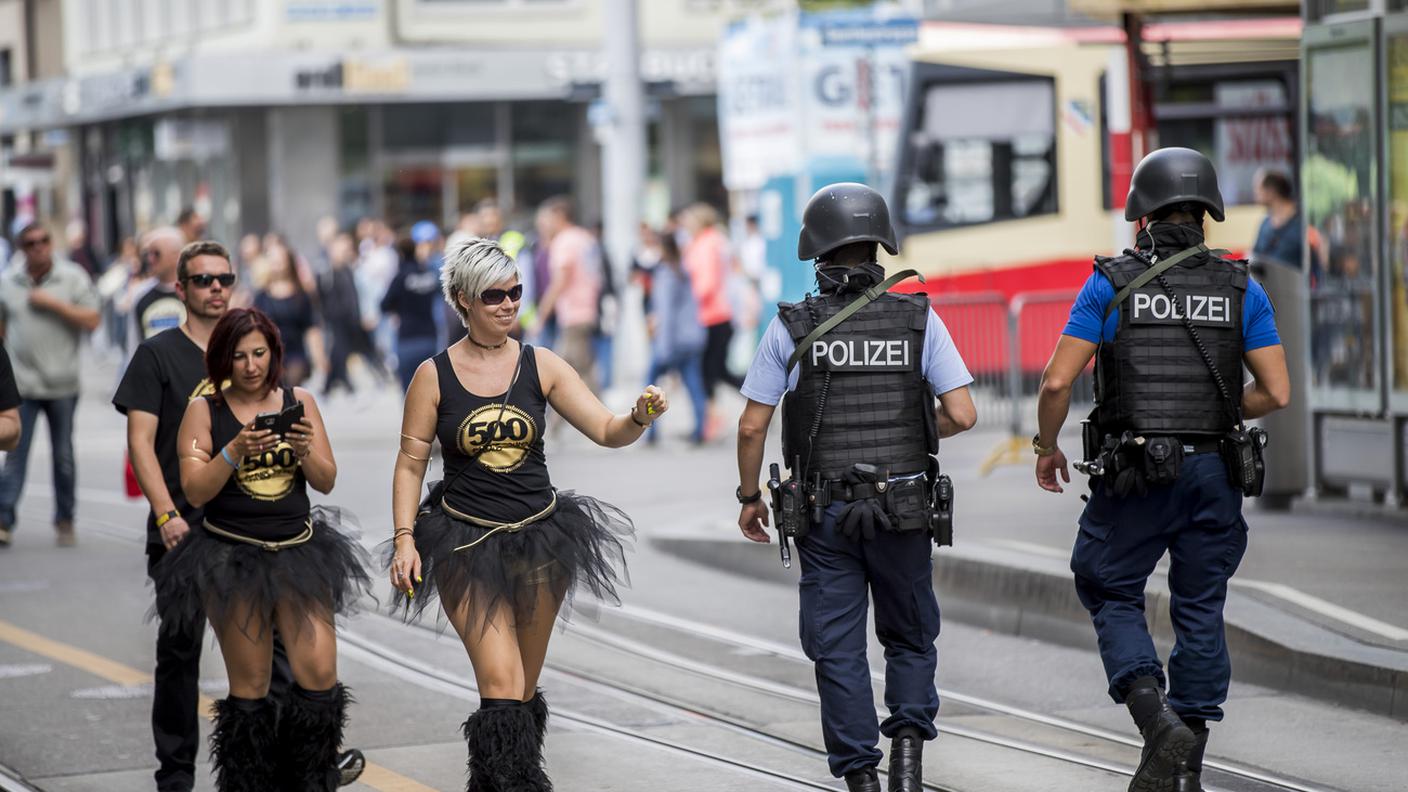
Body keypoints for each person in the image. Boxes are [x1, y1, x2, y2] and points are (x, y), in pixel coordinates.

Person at [1034, 147, 1291, 792]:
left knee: (1107, 582)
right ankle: (1185, 767)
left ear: (1142, 214)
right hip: (1213, 471)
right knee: (1201, 607)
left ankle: (1157, 726)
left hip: (1136, 472)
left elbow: (1057, 381)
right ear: (1208, 213)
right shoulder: (1242, 286)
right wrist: (1219, 410)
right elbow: (1276, 392)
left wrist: (1047, 445)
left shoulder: (1111, 283)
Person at [388, 237, 665, 791]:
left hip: (541, 538)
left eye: (516, 291)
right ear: (464, 300)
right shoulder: (432, 375)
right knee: (501, 682)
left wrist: (637, 416)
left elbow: (607, 431)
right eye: (495, 295)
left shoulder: (541, 364)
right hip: (463, 541)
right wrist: (403, 539)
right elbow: (410, 463)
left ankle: (505, 781)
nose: (509, 303)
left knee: (521, 690)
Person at [735, 183, 976, 792]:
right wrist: (912, 430)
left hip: (824, 513)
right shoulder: (919, 317)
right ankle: (908, 763)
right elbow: (963, 413)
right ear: (880, 249)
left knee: (837, 649)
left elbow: (752, 425)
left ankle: (861, 779)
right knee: (911, 634)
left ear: (816, 255)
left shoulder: (791, 325)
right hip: (903, 506)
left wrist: (749, 497)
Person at [115, 242, 367, 790]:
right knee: (227, 675)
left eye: (259, 354)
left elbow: (326, 478)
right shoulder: (194, 397)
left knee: (316, 676)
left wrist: (302, 448)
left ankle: (310, 776)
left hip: (297, 550)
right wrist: (230, 455)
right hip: (225, 550)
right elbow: (188, 481)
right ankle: (194, 777)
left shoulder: (296, 400)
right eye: (240, 356)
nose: (251, 366)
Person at [0, 221, 101, 547]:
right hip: (22, 386)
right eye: (30, 243)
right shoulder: (8, 283)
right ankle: (4, 519)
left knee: (63, 456)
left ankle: (65, 518)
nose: (39, 246)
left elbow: (93, 319)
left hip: (62, 384)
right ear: (22, 248)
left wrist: (53, 304)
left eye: (44, 240)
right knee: (15, 452)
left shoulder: (72, 277)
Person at [683, 203, 742, 438]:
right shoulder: (713, 241)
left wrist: (687, 304)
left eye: (689, 220)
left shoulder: (706, 244)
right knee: (716, 370)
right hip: (718, 314)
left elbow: (705, 284)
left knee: (710, 371)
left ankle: (710, 420)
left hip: (710, 316)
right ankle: (710, 419)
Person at [530, 197, 601, 388]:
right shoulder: (584, 237)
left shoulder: (564, 242)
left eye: (547, 220)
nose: (544, 226)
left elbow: (558, 282)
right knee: (577, 370)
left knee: (565, 374)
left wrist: (541, 316)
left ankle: (595, 416)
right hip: (587, 310)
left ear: (560, 217)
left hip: (574, 314)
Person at [645, 233, 708, 444]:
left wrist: (663, 349)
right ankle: (700, 430)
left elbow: (666, 314)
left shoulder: (666, 275)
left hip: (674, 340)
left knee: (650, 385)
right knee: (693, 383)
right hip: (692, 337)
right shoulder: (683, 271)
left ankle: (650, 430)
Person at [255, 240, 320, 387]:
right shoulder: (261, 297)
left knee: (290, 387)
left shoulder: (301, 296)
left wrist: (319, 357)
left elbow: (311, 328)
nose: (277, 264)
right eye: (273, 261)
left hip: (296, 354)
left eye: (280, 260)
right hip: (270, 356)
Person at [381, 233, 442, 391]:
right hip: (430, 337)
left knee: (410, 392)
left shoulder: (400, 278)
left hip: (408, 338)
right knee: (430, 389)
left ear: (399, 254)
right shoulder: (428, 274)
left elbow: (384, 305)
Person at [133, 227, 188, 341]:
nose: (150, 259)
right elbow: (133, 344)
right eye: (148, 254)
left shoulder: (195, 292)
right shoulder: (140, 295)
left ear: (176, 256)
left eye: (156, 253)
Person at [1251, 169, 1304, 269]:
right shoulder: (1265, 224)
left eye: (1258, 188)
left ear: (1271, 191)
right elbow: (1255, 257)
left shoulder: (1301, 224)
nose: (1255, 193)